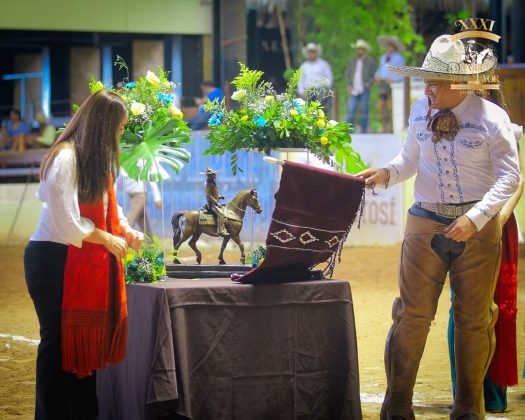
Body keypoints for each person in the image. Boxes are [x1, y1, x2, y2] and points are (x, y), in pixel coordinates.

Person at [357, 34, 520, 420]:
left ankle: (468, 408)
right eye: (427, 80)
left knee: (474, 320)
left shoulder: (491, 119)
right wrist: (385, 173)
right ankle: (396, 407)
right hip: (424, 220)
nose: (429, 88)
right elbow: (408, 161)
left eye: (437, 81)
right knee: (410, 315)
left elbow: (510, 178)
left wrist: (476, 218)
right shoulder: (418, 109)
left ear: (459, 84)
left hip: (476, 229)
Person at [24, 90, 143, 419]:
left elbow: (108, 207)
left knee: (79, 346)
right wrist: (106, 238)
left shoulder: (95, 158)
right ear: (103, 126)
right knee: (58, 343)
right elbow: (67, 222)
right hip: (51, 258)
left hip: (75, 256)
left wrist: (125, 231)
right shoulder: (65, 157)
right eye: (119, 129)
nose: (121, 135)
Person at [447, 88, 524, 414]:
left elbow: (515, 179)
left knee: (495, 305)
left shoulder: (503, 123)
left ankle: (491, 393)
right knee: (461, 305)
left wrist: (500, 216)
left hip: (495, 224)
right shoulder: (450, 122)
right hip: (461, 222)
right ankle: (465, 392)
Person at [117, 168, 162, 236]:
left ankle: (124, 242)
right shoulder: (124, 164)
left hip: (140, 196)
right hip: (131, 197)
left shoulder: (139, 160)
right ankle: (151, 245)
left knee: (129, 222)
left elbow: (150, 177)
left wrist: (157, 197)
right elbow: (119, 180)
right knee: (145, 226)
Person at [345, 39, 377, 133]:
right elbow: (347, 74)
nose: (360, 51)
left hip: (364, 88)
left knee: (365, 110)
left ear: (365, 50)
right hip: (354, 88)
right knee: (351, 110)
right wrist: (349, 85)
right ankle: (348, 131)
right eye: (358, 49)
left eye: (361, 49)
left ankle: (363, 131)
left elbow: (374, 75)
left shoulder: (370, 62)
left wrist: (368, 84)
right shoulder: (352, 61)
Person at [375, 35, 405, 132]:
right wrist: (377, 76)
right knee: (381, 105)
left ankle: (392, 127)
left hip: (394, 86)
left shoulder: (399, 58)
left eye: (390, 45)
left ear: (394, 46)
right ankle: (385, 126)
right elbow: (380, 69)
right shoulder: (383, 57)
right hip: (383, 84)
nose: (388, 47)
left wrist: (393, 79)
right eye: (387, 46)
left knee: (391, 105)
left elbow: (402, 72)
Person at [297, 42, 334, 114]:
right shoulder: (304, 66)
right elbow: (300, 80)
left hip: (321, 91)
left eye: (313, 52)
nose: (311, 54)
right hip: (308, 92)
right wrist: (301, 92)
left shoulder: (323, 64)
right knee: (309, 112)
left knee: (322, 112)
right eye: (309, 52)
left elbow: (329, 77)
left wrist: (325, 90)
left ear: (316, 53)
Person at [201, 167, 227, 235]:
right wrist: (217, 203)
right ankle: (220, 230)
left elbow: (214, 194)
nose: (215, 175)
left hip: (215, 202)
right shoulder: (208, 184)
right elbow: (209, 196)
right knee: (221, 214)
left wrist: (220, 196)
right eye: (213, 174)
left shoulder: (212, 182)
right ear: (209, 176)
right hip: (212, 204)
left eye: (214, 174)